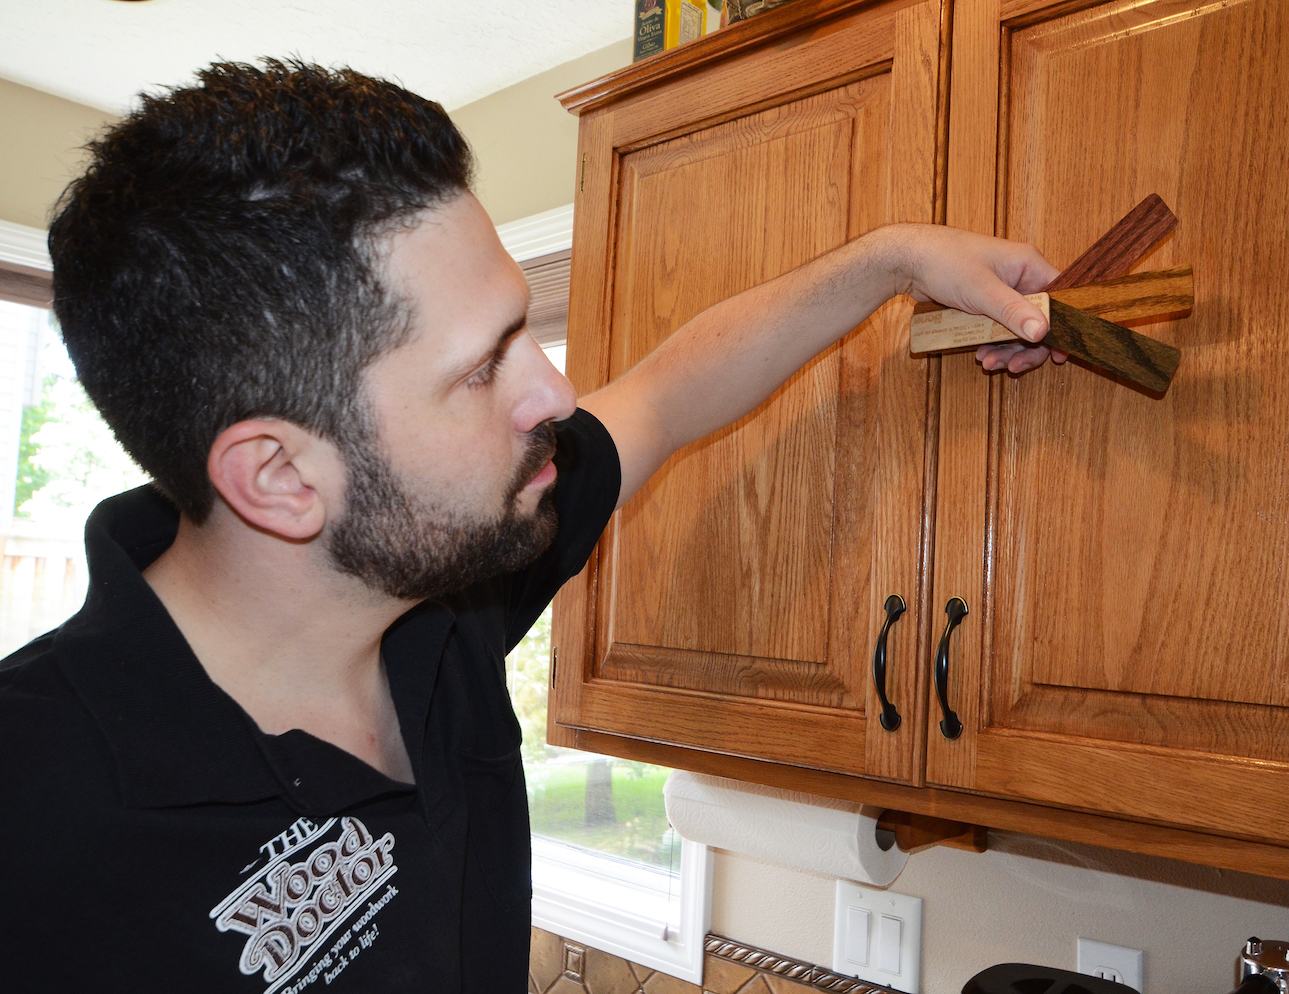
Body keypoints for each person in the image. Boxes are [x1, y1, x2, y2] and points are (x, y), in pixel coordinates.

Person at [0, 60, 1062, 992]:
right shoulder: (36, 818)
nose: (554, 393)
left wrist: (890, 261)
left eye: (524, 332)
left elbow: (667, 395)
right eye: (482, 368)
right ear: (278, 477)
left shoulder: (440, 596)